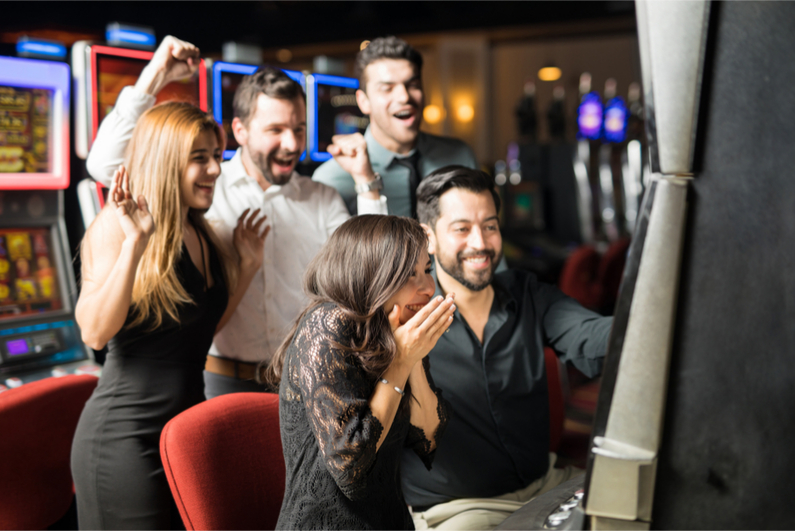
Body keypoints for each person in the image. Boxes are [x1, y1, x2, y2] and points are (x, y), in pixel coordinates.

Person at [86, 36, 389, 399]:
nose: (292, 144)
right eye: (275, 130)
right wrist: (155, 76)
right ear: (240, 132)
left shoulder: (321, 198)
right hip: (220, 382)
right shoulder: (204, 187)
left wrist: (366, 184)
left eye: (298, 129)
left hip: (307, 382)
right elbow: (104, 166)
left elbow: (373, 274)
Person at [71, 102, 267, 529]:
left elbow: (200, 332)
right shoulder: (116, 227)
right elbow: (94, 333)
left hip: (183, 435)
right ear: (164, 160)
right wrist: (134, 245)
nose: (216, 169)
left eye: (217, 155)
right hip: (124, 439)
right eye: (200, 158)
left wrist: (247, 269)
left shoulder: (202, 231)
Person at [402, 166, 613, 530]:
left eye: (490, 226)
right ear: (429, 237)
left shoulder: (527, 292)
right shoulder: (406, 316)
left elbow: (595, 337)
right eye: (462, 228)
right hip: (458, 510)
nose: (480, 243)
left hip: (547, 488)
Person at [264, 215, 454, 530]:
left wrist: (415, 359)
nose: (428, 287)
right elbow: (349, 468)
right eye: (409, 274)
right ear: (372, 274)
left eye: (427, 270)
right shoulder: (326, 325)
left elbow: (428, 441)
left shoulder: (398, 334)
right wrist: (402, 363)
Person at [313, 35, 477, 217]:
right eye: (387, 88)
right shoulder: (330, 180)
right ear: (363, 101)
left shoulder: (460, 156)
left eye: (413, 85)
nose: (404, 97)